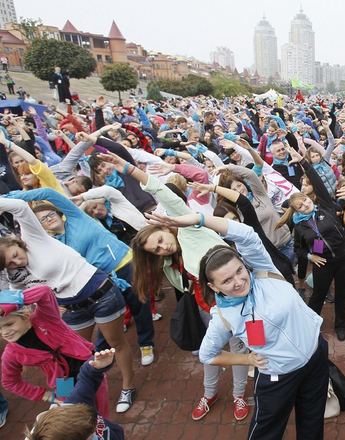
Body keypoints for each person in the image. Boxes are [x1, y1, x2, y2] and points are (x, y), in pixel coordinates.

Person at [146, 208, 328, 439]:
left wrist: (199, 219)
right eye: (227, 280)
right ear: (213, 287)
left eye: (239, 271)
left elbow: (247, 235)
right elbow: (207, 354)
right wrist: (246, 359)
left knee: (312, 422)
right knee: (266, 432)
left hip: (316, 356)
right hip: (278, 376)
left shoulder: (263, 270)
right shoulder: (223, 316)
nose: (239, 282)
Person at [98, 152, 250, 422]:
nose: (162, 247)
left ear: (164, 228)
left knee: (239, 350)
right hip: (209, 309)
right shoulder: (169, 263)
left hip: (239, 301)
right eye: (155, 250)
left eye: (159, 240)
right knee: (211, 353)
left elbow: (162, 192)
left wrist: (131, 170)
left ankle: (239, 394)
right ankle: (209, 393)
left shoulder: (189, 226)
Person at [0, 198, 136, 413]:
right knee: (68, 356)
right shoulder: (17, 276)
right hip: (72, 309)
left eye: (16, 256)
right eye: (10, 264)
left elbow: (20, 206)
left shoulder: (35, 238)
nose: (17, 263)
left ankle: (128, 387)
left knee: (115, 343)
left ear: (18, 244)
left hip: (101, 295)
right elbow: (13, 298)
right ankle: (75, 399)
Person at [276, 146, 345, 341]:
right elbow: (298, 249)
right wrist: (310, 256)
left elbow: (318, 183)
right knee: (318, 295)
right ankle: (309, 325)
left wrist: (304, 163)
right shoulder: (300, 226)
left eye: (305, 201)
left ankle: (340, 324)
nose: (305, 205)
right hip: (323, 263)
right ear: (296, 211)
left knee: (343, 293)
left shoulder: (326, 207)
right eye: (300, 206)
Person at [0, 285, 110, 416]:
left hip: (89, 365)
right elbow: (10, 382)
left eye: (9, 324)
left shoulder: (47, 318)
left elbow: (44, 291)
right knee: (76, 414)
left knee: (101, 409)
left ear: (25, 315)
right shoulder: (11, 353)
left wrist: (12, 301)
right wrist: (45, 395)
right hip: (63, 382)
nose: (4, 332)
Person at [23, 349, 124, 440]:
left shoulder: (77, 405)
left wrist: (96, 365)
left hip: (64, 379)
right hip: (61, 381)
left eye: (92, 433)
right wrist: (43, 394)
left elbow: (87, 377)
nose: (95, 434)